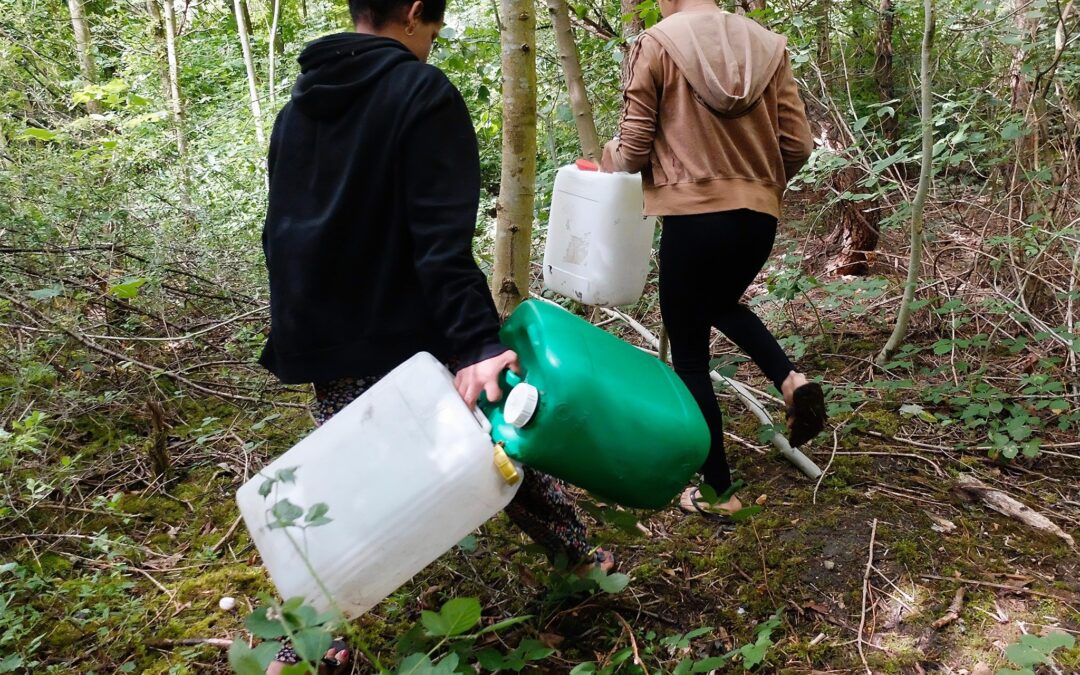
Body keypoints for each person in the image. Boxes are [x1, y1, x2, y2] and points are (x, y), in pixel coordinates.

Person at [260, 0, 611, 670]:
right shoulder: (421, 92)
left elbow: (282, 234)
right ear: (417, 12)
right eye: (438, 23)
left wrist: (305, 333)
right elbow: (439, 243)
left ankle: (577, 554)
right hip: (407, 326)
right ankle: (298, 641)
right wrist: (478, 344)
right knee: (493, 434)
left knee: (368, 473)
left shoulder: (296, 110)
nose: (437, 37)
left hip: (324, 327)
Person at [600, 0, 826, 519]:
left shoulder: (654, 43)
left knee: (691, 359)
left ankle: (719, 492)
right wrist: (754, 185)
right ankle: (790, 380)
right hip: (758, 217)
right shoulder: (768, 45)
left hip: (692, 217)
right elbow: (798, 144)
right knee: (721, 302)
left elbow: (633, 150)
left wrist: (606, 157)